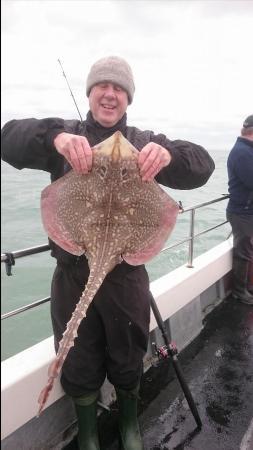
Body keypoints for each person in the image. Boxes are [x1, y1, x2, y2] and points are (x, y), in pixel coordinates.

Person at [1, 56, 215, 450]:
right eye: (103, 85)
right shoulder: (66, 136)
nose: (110, 93)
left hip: (126, 275)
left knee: (127, 353)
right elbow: (7, 138)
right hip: (72, 274)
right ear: (90, 92)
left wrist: (168, 156)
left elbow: (203, 165)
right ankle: (89, 435)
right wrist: (54, 139)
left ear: (128, 98)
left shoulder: (145, 143)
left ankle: (129, 426)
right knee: (78, 359)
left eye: (119, 88)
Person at [226, 115, 253, 306]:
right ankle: (239, 291)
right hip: (242, 213)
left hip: (246, 210)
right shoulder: (243, 153)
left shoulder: (247, 151)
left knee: (247, 250)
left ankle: (246, 286)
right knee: (242, 252)